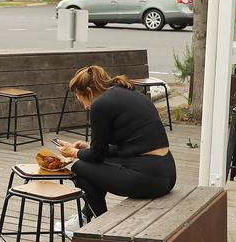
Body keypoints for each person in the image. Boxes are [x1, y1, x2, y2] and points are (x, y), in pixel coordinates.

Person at [55, 66, 175, 227]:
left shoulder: (101, 104)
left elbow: (97, 156)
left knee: (80, 168)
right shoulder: (131, 93)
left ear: (90, 93)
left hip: (147, 179)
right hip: (167, 173)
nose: (85, 107)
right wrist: (87, 148)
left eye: (81, 99)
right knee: (93, 166)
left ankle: (103, 225)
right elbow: (128, 147)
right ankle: (86, 215)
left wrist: (74, 152)